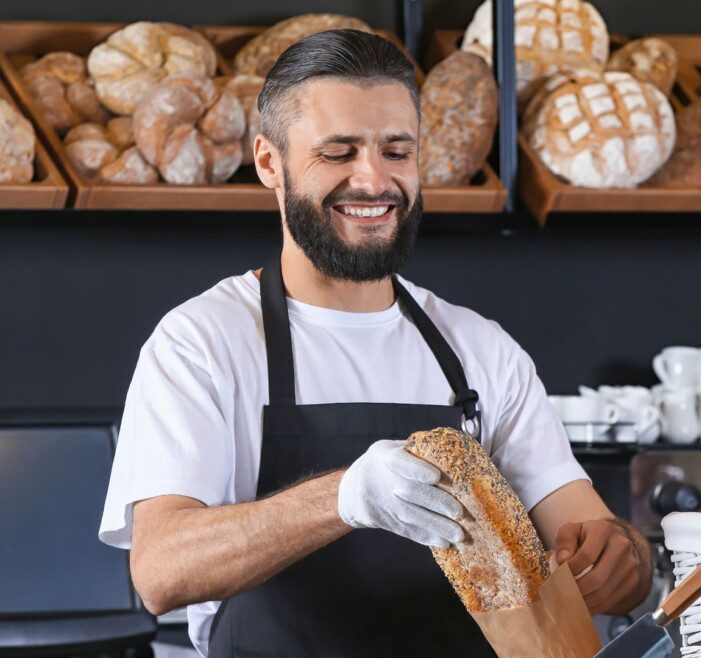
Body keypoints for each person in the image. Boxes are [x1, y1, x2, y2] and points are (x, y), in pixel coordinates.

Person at [98, 29, 651, 657]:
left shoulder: (481, 350)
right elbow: (162, 570)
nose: (373, 179)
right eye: (339, 152)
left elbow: (594, 534)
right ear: (269, 162)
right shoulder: (202, 343)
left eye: (396, 150)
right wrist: (346, 497)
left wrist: (620, 558)